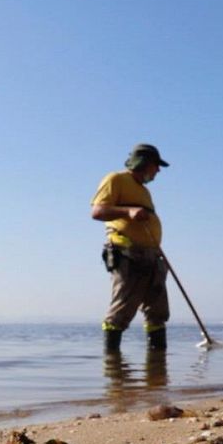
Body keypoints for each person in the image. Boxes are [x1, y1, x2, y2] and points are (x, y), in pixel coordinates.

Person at [92, 143, 170, 352]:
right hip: (127, 254)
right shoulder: (115, 179)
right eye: (156, 165)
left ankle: (157, 373)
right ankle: (114, 369)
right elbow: (98, 211)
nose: (158, 171)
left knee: (157, 311)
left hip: (152, 256)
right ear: (144, 163)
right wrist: (128, 212)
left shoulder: (144, 191)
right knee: (122, 309)